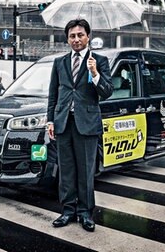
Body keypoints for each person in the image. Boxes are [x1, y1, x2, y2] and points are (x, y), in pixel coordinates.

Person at [46, 18, 114, 232]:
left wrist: (95, 74)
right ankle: (67, 211)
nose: (76, 39)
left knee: (86, 171)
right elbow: (53, 94)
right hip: (63, 123)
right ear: (67, 39)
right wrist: (50, 120)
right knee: (66, 171)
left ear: (88, 37)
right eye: (72, 36)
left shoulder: (99, 61)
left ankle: (85, 213)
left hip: (87, 124)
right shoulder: (60, 63)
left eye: (80, 35)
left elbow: (107, 91)